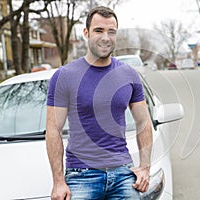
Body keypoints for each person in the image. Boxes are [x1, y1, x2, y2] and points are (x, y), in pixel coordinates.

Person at [46, 6, 153, 200]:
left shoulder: (129, 75)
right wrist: (58, 181)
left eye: (111, 32)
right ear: (86, 33)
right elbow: (53, 129)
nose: (106, 37)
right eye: (99, 30)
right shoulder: (64, 76)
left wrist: (145, 168)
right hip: (81, 175)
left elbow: (143, 123)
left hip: (122, 174)